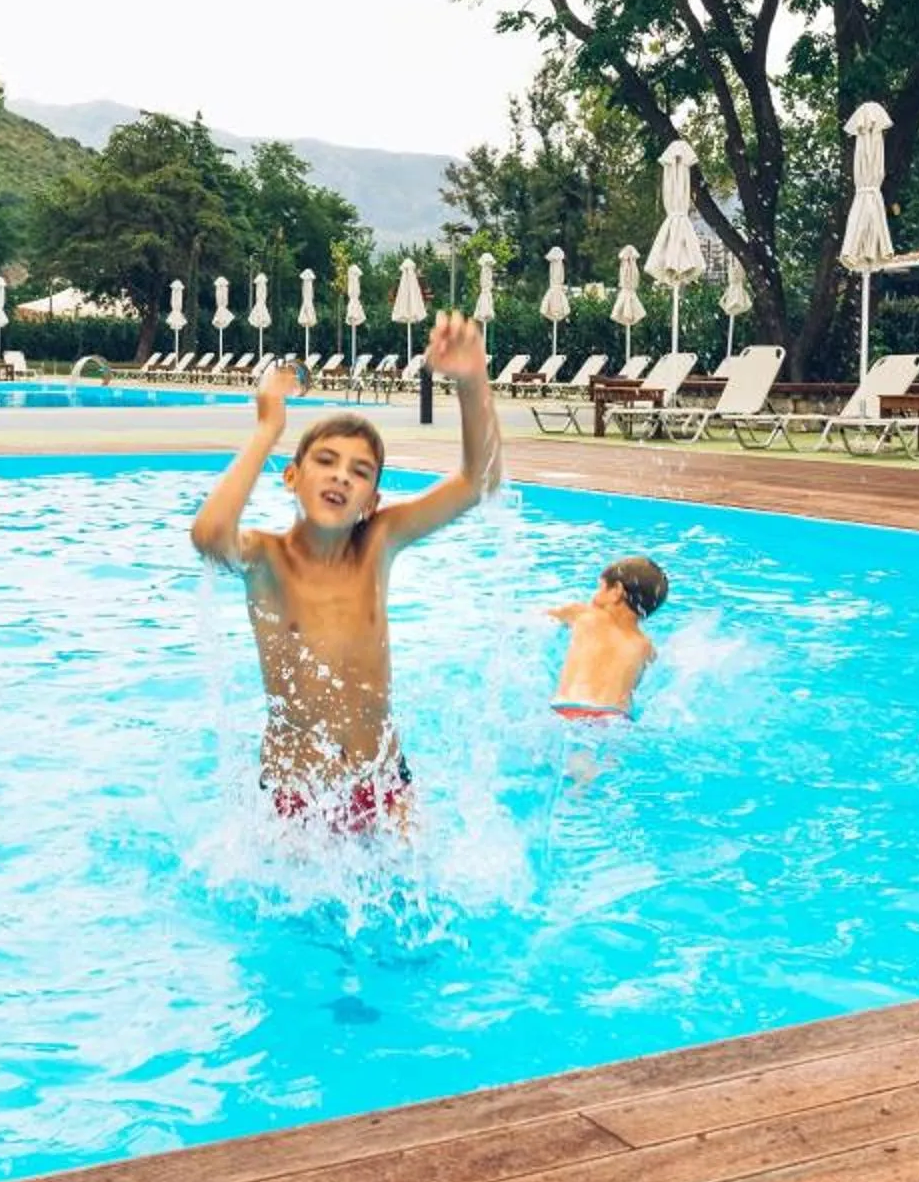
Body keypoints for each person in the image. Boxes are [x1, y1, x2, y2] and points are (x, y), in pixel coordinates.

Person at [189, 313, 501, 833]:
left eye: (359, 472)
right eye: (326, 461)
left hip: (383, 782)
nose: (341, 476)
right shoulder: (266, 560)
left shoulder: (378, 542)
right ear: (291, 477)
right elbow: (208, 534)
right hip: (297, 791)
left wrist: (472, 382)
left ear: (371, 501)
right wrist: (269, 428)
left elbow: (480, 480)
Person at [547, 557, 668, 722]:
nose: (594, 595)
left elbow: (537, 620)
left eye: (600, 587)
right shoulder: (647, 648)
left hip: (570, 710)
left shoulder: (583, 614)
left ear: (616, 590)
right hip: (616, 719)